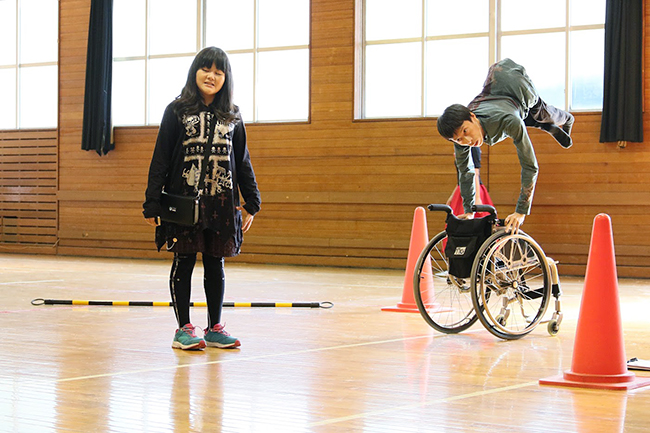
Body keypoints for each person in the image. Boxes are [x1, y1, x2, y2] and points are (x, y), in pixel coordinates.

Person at [143, 47, 261, 350]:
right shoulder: (176, 110)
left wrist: (252, 201)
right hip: (184, 200)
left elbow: (242, 160)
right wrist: (153, 202)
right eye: (206, 69)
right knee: (183, 260)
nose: (211, 76)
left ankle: (214, 327)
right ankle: (183, 328)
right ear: (195, 72)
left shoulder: (233, 115)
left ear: (226, 78)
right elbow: (161, 157)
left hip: (221, 202)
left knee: (215, 262)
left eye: (218, 72)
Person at [436, 58, 574, 234]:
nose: (467, 140)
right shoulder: (459, 139)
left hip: (515, 85)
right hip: (497, 96)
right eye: (458, 140)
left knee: (542, 114)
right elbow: (466, 171)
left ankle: (562, 120)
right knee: (523, 121)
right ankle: (543, 125)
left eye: (466, 131)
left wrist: (521, 211)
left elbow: (530, 166)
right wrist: (469, 210)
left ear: (472, 117)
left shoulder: (508, 120)